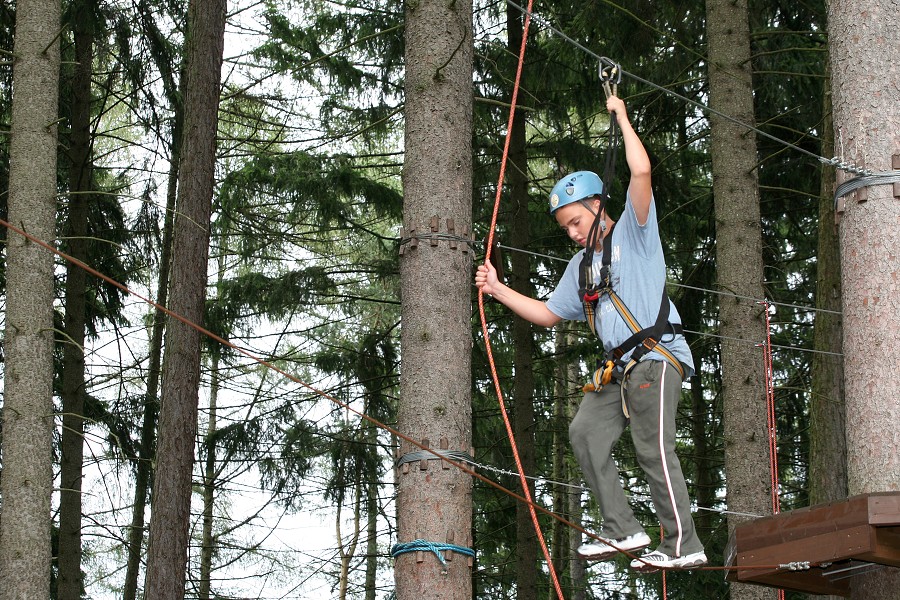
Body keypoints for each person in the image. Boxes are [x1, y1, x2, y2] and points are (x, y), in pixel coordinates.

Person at [475, 95, 706, 571]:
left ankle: (684, 543)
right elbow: (546, 314)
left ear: (599, 206)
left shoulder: (635, 234)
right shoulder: (580, 268)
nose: (575, 234)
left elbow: (640, 175)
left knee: (651, 447)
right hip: (619, 370)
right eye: (567, 229)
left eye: (577, 222)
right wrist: (497, 290)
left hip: (656, 356)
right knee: (583, 432)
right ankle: (623, 529)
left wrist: (621, 117)